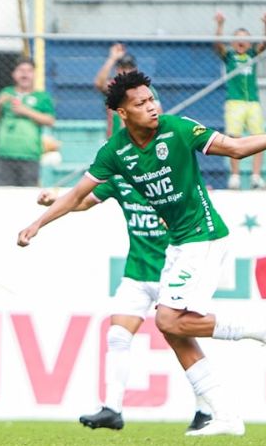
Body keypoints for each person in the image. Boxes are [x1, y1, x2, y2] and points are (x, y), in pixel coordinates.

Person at [18, 71, 266, 436]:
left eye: (152, 99)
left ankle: (262, 328)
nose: (152, 107)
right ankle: (225, 415)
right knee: (176, 332)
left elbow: (237, 148)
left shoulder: (177, 129)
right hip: (180, 243)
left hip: (205, 236)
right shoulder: (115, 152)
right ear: (121, 113)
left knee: (167, 321)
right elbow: (76, 195)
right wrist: (39, 223)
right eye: (141, 104)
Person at [37, 180, 212, 433]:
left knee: (182, 341)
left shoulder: (171, 176)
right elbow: (83, 200)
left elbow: (202, 211)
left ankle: (205, 409)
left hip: (173, 274)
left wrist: (180, 218)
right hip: (137, 274)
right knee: (117, 336)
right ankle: (112, 409)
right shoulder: (121, 178)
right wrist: (55, 199)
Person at [214, 11, 266, 190]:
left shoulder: (252, 55)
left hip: (252, 101)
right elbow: (218, 46)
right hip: (235, 101)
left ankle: (256, 176)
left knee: (259, 138)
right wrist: (220, 25)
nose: (242, 42)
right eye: (238, 38)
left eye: (245, 39)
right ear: (232, 42)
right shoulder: (229, 57)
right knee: (235, 138)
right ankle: (235, 176)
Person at [0, 58, 56, 186]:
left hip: (30, 154)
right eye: (21, 70)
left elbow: (50, 120)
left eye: (29, 71)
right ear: (14, 74)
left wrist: (26, 111)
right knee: (3, 193)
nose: (25, 74)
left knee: (28, 193)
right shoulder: (6, 93)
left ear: (34, 74)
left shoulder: (42, 96)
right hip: (5, 152)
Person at [93, 43, 162, 137]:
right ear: (117, 70)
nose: (126, 71)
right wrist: (112, 58)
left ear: (135, 69)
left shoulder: (145, 89)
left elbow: (158, 113)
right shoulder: (114, 87)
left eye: (130, 67)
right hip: (115, 140)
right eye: (123, 67)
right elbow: (99, 83)